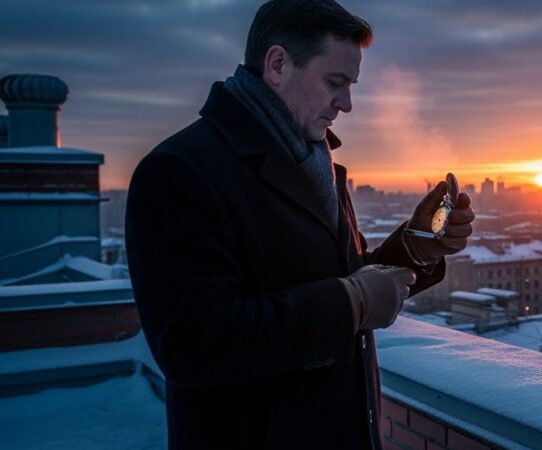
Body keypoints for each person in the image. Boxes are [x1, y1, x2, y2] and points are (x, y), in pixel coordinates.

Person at [124, 1, 474, 448]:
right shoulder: (181, 170)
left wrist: (417, 247)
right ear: (277, 65)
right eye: (335, 82)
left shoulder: (315, 162)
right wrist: (351, 304)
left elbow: (343, 277)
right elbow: (191, 344)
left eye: (350, 85)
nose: (347, 104)